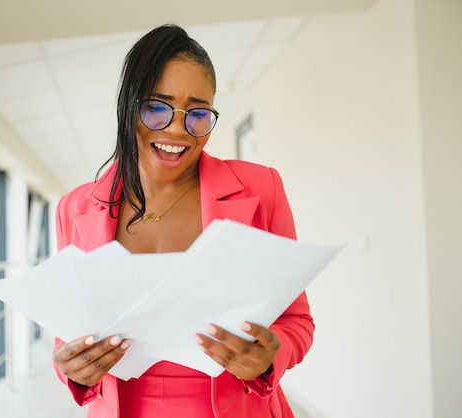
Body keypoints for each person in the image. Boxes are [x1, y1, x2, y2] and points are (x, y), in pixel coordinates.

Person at [52, 23, 314, 418]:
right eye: (156, 107)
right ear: (128, 108)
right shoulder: (75, 209)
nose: (178, 128)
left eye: (198, 113)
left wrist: (270, 355)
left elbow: (296, 321)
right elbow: (67, 334)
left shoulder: (262, 189)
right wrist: (69, 367)